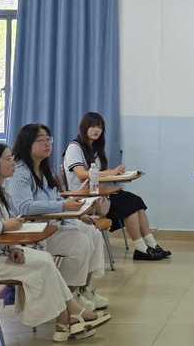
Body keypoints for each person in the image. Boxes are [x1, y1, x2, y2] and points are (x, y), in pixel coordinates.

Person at [0, 142, 109, 342]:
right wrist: (2, 226)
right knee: (42, 264)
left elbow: (1, 229)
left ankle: (67, 319)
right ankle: (67, 318)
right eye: (8, 159)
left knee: (45, 260)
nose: (13, 163)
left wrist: (13, 247)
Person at [4, 123, 110, 314]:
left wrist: (79, 214)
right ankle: (67, 297)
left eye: (48, 139)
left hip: (49, 224)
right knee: (80, 242)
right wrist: (64, 207)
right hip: (30, 231)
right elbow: (23, 207)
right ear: (27, 144)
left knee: (92, 232)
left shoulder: (44, 169)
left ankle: (82, 289)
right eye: (40, 140)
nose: (47, 143)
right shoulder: (20, 171)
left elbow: (54, 199)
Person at [62, 111, 170, 260]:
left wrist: (118, 175)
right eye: (92, 126)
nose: (96, 130)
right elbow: (81, 174)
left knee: (136, 200)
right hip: (83, 197)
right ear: (84, 128)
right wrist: (110, 172)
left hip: (98, 193)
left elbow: (98, 175)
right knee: (128, 203)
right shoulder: (74, 147)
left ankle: (152, 245)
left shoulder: (95, 149)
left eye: (100, 127)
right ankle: (141, 248)